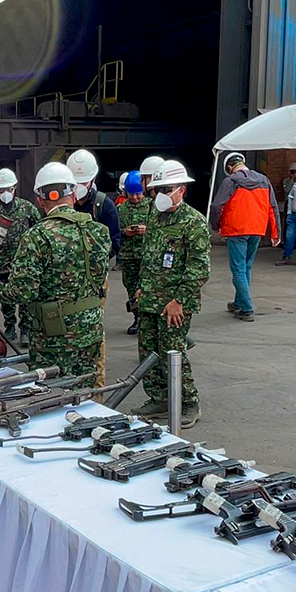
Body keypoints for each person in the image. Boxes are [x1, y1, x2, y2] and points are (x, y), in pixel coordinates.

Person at [0, 162, 110, 381]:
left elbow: (23, 293)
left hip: (53, 335)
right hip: (91, 328)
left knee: (53, 393)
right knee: (86, 389)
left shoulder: (35, 237)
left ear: (40, 200)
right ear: (74, 195)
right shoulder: (99, 231)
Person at [130, 160, 210, 428]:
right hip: (150, 299)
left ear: (181, 191)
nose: (160, 195)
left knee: (173, 353)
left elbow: (199, 269)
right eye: (157, 190)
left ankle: (189, 402)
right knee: (148, 353)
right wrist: (141, 287)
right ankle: (160, 398)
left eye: (167, 189)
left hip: (174, 303)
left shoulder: (194, 223)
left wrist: (179, 301)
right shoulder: (155, 217)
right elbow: (149, 257)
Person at [210, 152, 280, 321]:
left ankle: (246, 308)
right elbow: (273, 207)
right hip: (257, 229)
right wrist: (276, 233)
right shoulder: (264, 180)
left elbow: (216, 205)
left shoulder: (230, 181)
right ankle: (239, 302)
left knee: (238, 269)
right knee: (246, 267)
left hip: (236, 230)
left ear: (229, 168)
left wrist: (215, 225)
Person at [0, 167, 42, 340]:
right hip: (2, 263)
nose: (5, 193)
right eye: (1, 190)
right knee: (5, 297)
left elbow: (38, 228)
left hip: (24, 261)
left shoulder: (27, 207)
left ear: (15, 187)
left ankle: (26, 329)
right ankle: (10, 327)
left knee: (24, 296)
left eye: (8, 189)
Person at [117, 169, 153, 334]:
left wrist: (148, 230)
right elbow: (114, 230)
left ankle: (148, 320)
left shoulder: (152, 207)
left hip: (147, 256)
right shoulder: (120, 208)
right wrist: (125, 232)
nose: (135, 198)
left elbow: (162, 228)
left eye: (138, 194)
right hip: (128, 256)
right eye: (131, 194)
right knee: (131, 288)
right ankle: (137, 318)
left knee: (147, 288)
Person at [68, 148, 121, 259]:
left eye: (83, 182)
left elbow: (114, 241)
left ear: (93, 179)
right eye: (75, 182)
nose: (79, 186)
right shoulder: (63, 203)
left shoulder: (104, 204)